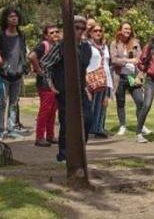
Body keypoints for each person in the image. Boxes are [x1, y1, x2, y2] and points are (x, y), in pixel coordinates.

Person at [39, 16, 93, 162]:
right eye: (77, 28)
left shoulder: (86, 47)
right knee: (67, 122)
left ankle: (80, 150)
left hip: (80, 89)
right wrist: (51, 85)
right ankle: (64, 154)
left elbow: (83, 69)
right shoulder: (61, 46)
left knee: (87, 119)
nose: (80, 31)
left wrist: (86, 86)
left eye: (83, 28)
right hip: (64, 90)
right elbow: (45, 64)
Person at [0, 6, 29, 138]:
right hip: (4, 75)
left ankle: (11, 126)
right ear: (6, 19)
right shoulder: (1, 35)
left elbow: (22, 52)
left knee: (14, 102)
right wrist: (3, 68)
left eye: (16, 16)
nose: (14, 19)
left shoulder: (21, 35)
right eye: (11, 16)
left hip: (18, 73)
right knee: (2, 102)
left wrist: (23, 66)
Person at [110, 21, 145, 136]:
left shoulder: (135, 43)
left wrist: (140, 74)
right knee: (121, 102)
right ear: (120, 30)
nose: (127, 31)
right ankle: (122, 125)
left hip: (132, 76)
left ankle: (141, 125)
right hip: (119, 76)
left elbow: (140, 59)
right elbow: (114, 60)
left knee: (140, 100)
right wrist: (128, 60)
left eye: (129, 29)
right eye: (125, 29)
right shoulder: (114, 43)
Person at [28, 24, 61, 147]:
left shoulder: (57, 46)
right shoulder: (44, 45)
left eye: (57, 31)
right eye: (51, 33)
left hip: (54, 82)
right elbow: (31, 56)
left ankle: (50, 135)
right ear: (46, 36)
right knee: (45, 110)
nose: (55, 34)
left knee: (53, 110)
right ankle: (40, 137)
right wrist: (39, 70)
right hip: (45, 82)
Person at [86, 20, 113, 138]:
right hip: (91, 79)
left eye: (100, 31)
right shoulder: (87, 45)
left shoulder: (105, 46)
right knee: (90, 105)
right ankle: (88, 129)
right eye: (95, 31)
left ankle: (98, 128)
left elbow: (107, 63)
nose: (98, 33)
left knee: (102, 105)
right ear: (90, 33)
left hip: (104, 78)